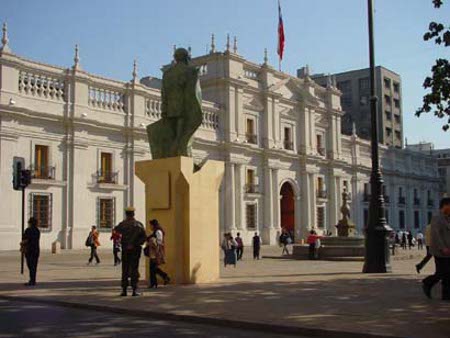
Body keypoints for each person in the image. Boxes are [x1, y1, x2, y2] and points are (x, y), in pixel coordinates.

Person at [114, 207, 147, 297]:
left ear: (126, 214)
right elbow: (144, 237)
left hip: (125, 249)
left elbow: (116, 230)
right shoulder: (138, 224)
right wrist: (135, 243)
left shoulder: (122, 224)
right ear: (133, 214)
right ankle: (134, 290)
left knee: (125, 269)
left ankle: (124, 290)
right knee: (134, 269)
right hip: (135, 249)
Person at [422, 198, 450, 300]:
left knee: (447, 274)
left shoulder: (447, 218)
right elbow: (436, 235)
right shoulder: (436, 218)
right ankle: (427, 282)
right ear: (445, 205)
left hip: (448, 251)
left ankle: (446, 295)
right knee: (442, 273)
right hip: (440, 251)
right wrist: (443, 248)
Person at [147, 219, 170, 288]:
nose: (150, 227)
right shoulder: (155, 231)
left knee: (152, 268)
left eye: (150, 225)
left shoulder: (158, 232)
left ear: (153, 225)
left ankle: (154, 283)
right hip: (154, 252)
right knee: (154, 268)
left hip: (156, 252)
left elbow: (159, 242)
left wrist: (153, 243)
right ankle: (164, 277)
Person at [20, 217, 40, 286]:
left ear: (30, 223)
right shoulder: (37, 230)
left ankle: (32, 280)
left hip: (29, 250)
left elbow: (25, 239)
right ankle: (33, 280)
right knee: (34, 266)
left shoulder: (28, 230)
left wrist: (22, 243)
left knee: (30, 266)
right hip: (36, 250)